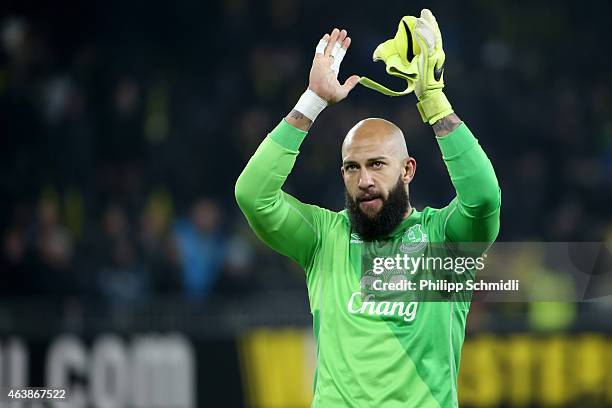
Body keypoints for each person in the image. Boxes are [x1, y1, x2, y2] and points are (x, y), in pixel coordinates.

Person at [235, 9, 501, 407]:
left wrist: (433, 101)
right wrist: (312, 103)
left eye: (377, 164)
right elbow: (252, 195)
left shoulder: (445, 242)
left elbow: (483, 198)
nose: (364, 180)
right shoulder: (323, 239)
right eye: (352, 168)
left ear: (407, 169)